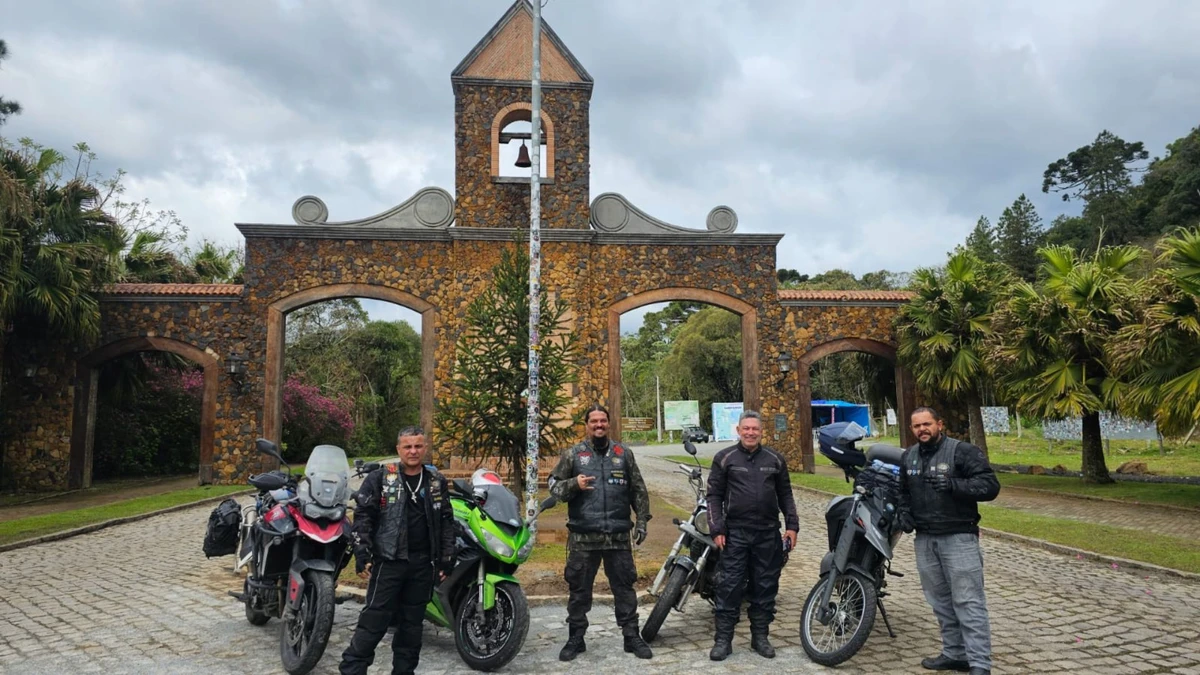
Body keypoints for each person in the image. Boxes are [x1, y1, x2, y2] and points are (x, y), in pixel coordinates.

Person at [339, 426, 455, 675]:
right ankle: (352, 669)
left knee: (412, 627)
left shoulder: (436, 481)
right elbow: (363, 517)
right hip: (388, 562)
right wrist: (362, 553)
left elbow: (446, 521)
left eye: (418, 446)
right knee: (373, 621)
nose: (413, 451)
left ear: (425, 447)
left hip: (423, 565)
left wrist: (446, 559)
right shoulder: (381, 478)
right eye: (408, 446)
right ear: (398, 449)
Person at [897, 407, 1000, 675]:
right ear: (912, 429)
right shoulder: (908, 457)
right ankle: (955, 654)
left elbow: (990, 486)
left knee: (968, 601)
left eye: (927, 424)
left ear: (939, 424)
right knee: (939, 600)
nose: (922, 429)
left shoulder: (962, 452)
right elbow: (903, 493)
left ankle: (979, 664)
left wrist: (954, 485)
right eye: (917, 426)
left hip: (959, 537)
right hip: (925, 538)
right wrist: (904, 514)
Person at [549, 404, 653, 662]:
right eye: (594, 421)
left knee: (625, 588)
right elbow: (554, 488)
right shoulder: (574, 455)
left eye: (603, 421)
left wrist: (641, 522)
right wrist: (575, 483)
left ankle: (631, 636)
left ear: (609, 424)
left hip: (618, 536)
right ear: (586, 425)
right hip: (584, 537)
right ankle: (576, 638)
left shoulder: (623, 453)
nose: (599, 425)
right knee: (579, 590)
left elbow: (638, 490)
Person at [705, 410, 799, 661]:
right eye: (745, 428)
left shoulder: (775, 459)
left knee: (765, 586)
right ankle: (723, 641)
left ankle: (760, 638)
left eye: (754, 429)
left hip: (768, 534)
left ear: (761, 431)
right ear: (738, 430)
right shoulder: (725, 458)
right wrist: (717, 528)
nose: (750, 432)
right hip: (735, 533)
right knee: (730, 586)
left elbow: (786, 495)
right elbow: (713, 496)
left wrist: (792, 526)